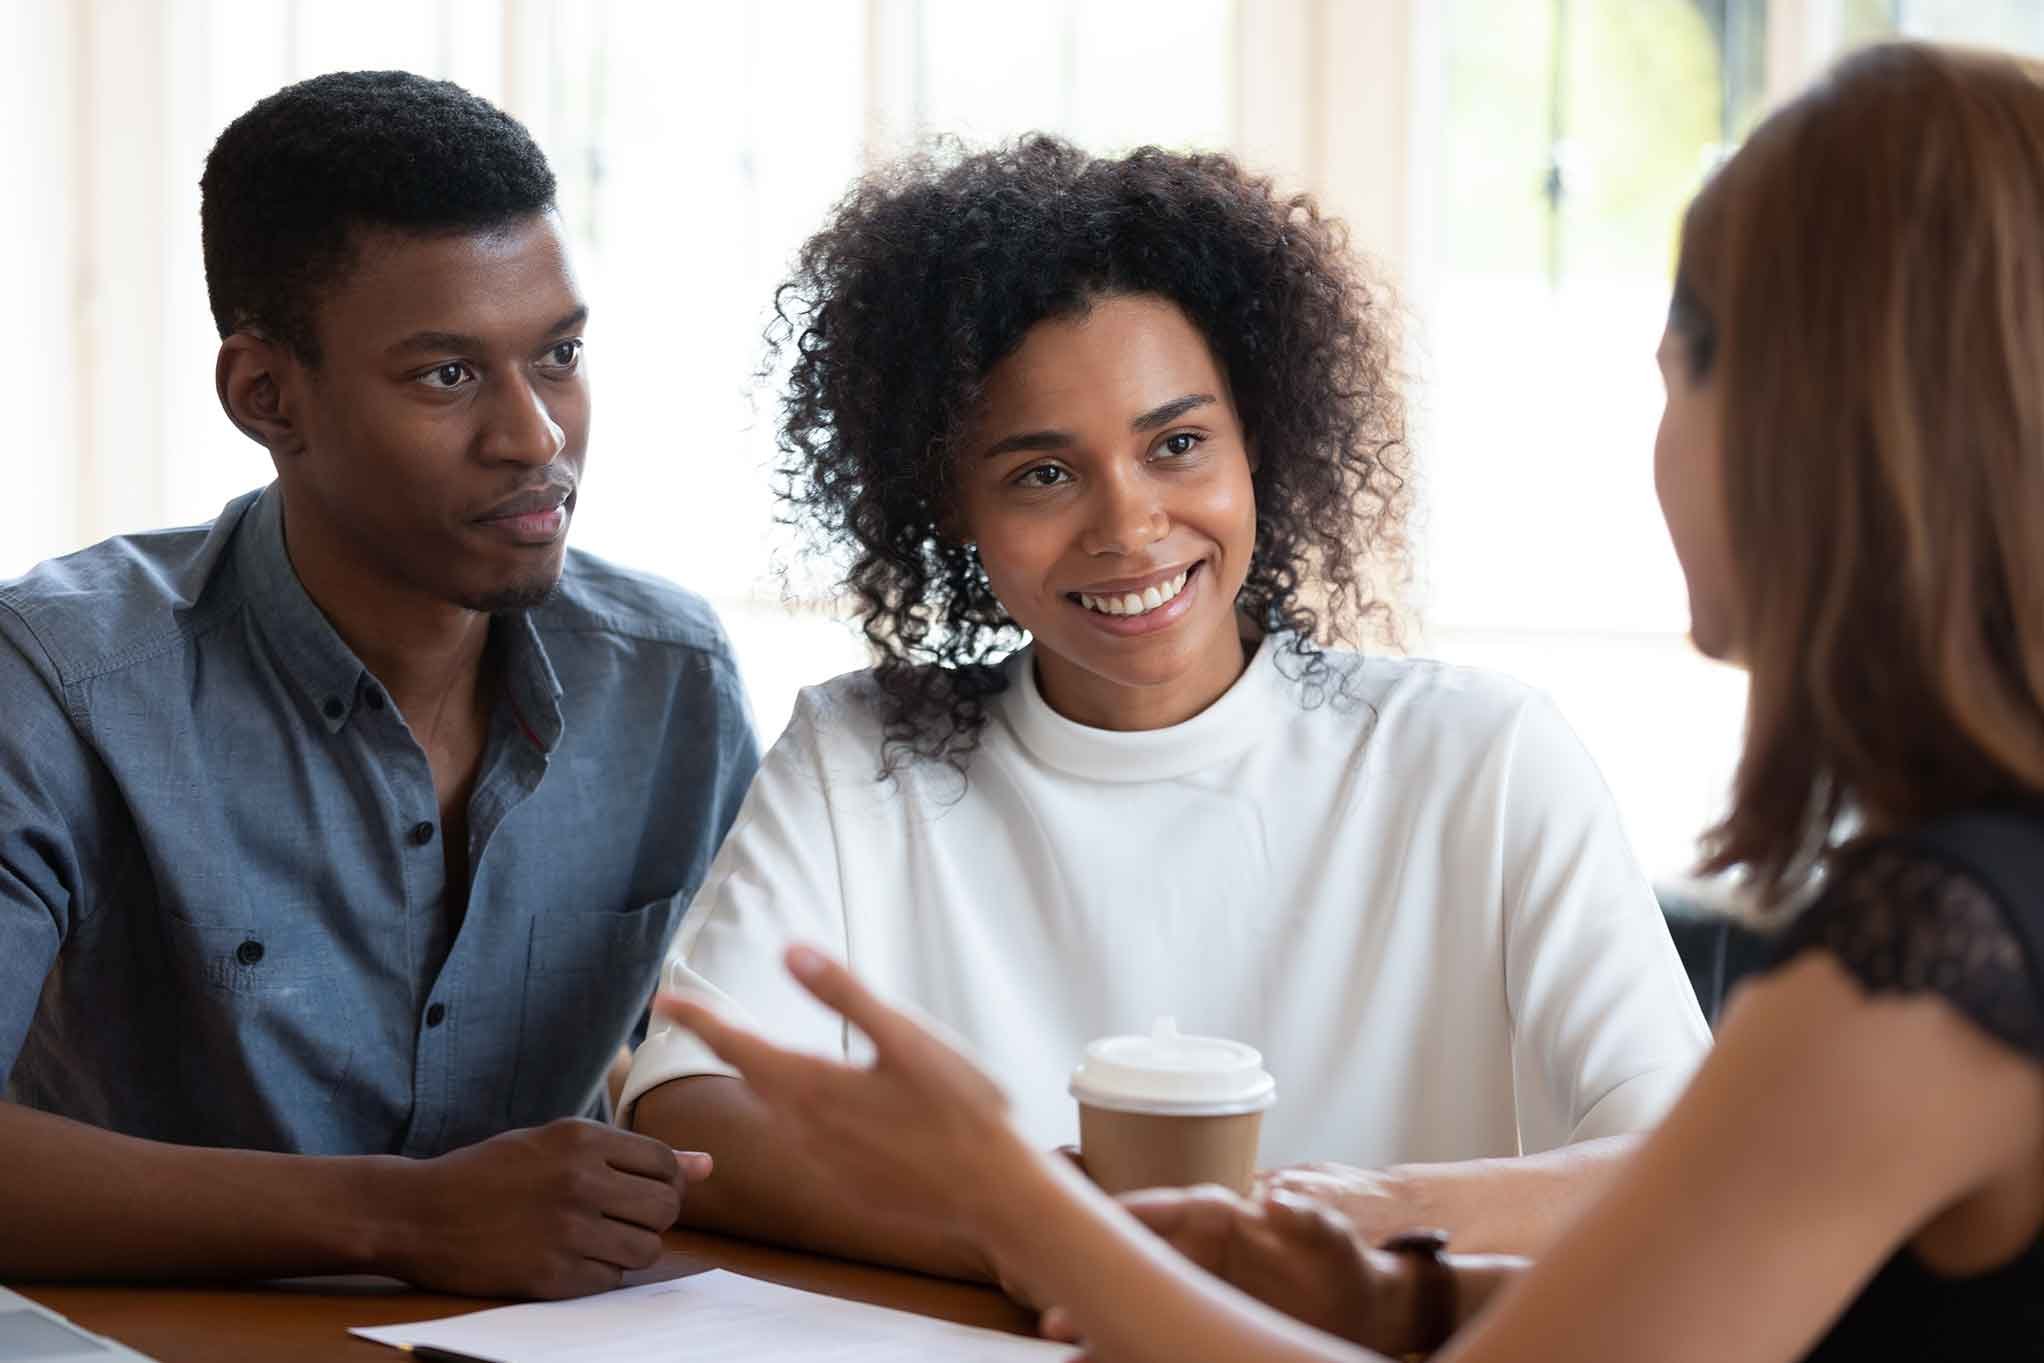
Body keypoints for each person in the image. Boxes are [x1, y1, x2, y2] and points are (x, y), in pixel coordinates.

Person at [654, 41, 2044, 1361]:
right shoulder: (1972, 910)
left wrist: (1032, 1208)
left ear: (1826, 433)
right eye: (1041, 470)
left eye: (1678, 372)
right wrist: (1375, 1269)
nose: (1128, 525)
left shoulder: (1927, 960)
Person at [624, 136, 1709, 1275]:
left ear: (1261, 447)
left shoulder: (1478, 757)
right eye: (1043, 473)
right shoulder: (859, 757)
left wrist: (1331, 1218)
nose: (1127, 526)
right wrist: (1048, 1231)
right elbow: (692, 1113)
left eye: (1177, 445)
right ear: (951, 505)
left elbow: (1675, 1157)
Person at [0, 71, 758, 1298]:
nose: (535, 437)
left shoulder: (671, 679)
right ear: (266, 395)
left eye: (557, 354)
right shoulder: (59, 679)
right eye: (446, 375)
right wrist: (401, 1219)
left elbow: (740, 1083)